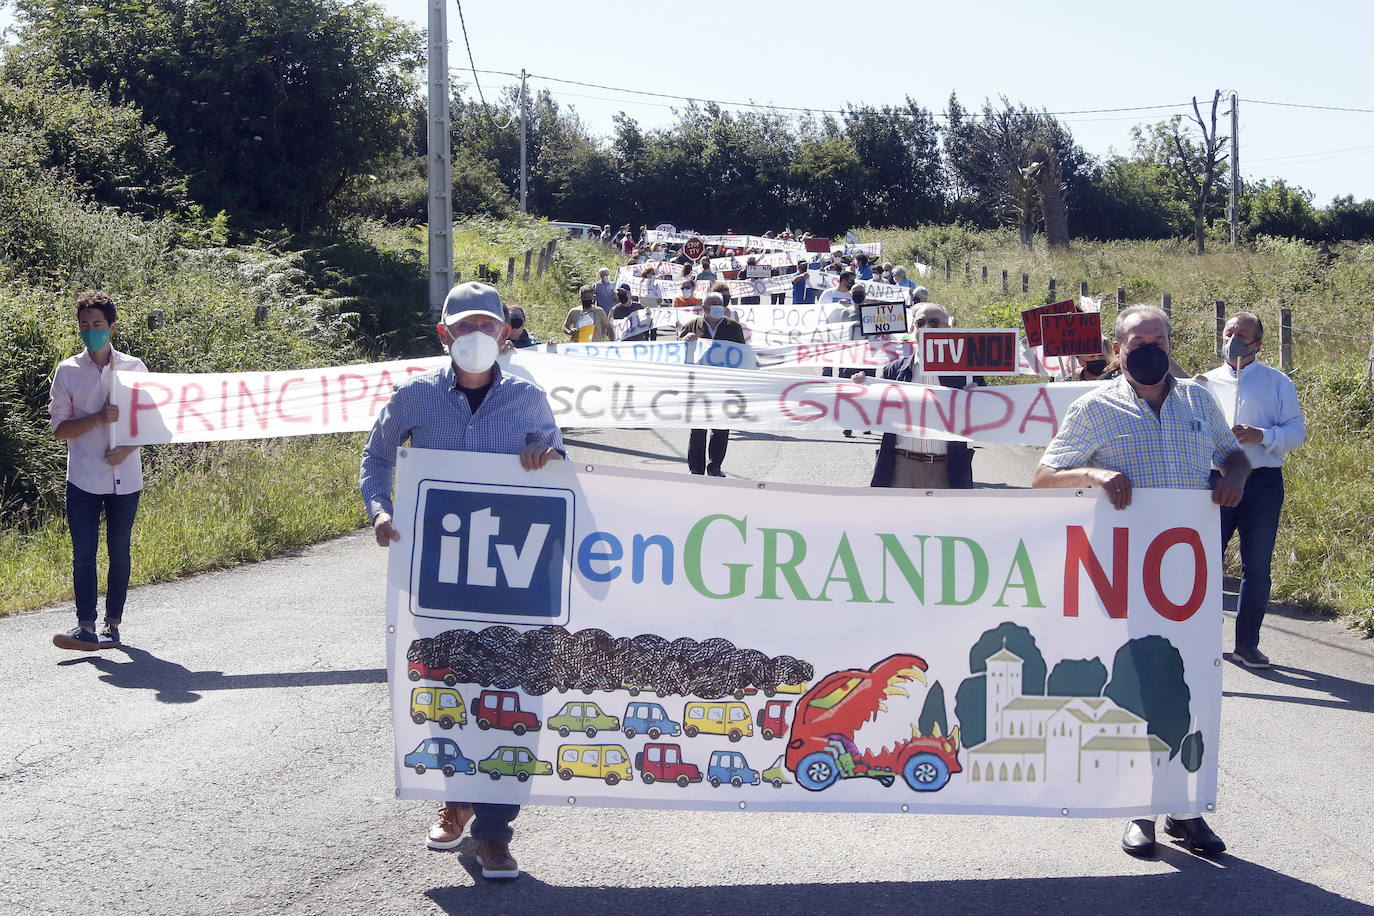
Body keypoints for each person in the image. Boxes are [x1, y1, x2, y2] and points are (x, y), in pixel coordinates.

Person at [361, 281, 565, 881]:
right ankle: (455, 800)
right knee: (450, 693)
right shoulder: (414, 398)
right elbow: (376, 459)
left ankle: (495, 833)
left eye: (489, 326)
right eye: (465, 327)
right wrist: (379, 510)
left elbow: (561, 473)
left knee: (511, 701)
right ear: (444, 335)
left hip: (512, 581)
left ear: (506, 334)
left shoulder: (527, 400)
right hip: (439, 576)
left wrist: (545, 458)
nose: (478, 337)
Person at [1032, 304, 1250, 860]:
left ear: (1172, 343)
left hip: (1189, 580)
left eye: (1160, 339)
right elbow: (1042, 478)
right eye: (1138, 341)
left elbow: (1231, 454)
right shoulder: (1094, 407)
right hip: (1126, 575)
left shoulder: (1199, 401)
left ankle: (1187, 811)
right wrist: (1095, 474)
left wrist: (1236, 475)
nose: (1150, 348)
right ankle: (1138, 812)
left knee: (1194, 687)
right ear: (1116, 350)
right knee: (1136, 690)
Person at [1199, 312, 1306, 669]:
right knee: (1205, 564)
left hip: (1262, 483)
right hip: (1215, 481)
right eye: (1229, 332)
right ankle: (1203, 643)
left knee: (1256, 567)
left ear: (1258, 343)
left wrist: (1262, 436)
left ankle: (1247, 645)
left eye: (1242, 334)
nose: (1233, 339)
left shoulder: (1277, 383)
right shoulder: (1205, 383)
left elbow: (1296, 433)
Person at [49, 290, 148, 651]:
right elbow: (60, 429)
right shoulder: (68, 371)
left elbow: (149, 423)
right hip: (84, 479)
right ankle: (86, 627)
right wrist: (97, 419)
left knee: (120, 550)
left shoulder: (134, 368)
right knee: (84, 553)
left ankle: (113, 625)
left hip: (127, 478)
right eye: (85, 325)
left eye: (98, 325)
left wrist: (126, 449)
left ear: (112, 327)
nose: (92, 331)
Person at [854, 303, 980, 483]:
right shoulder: (894, 370)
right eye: (921, 322)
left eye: (934, 322)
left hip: (946, 468)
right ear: (914, 328)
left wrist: (980, 396)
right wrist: (861, 387)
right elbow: (872, 410)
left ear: (948, 328)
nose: (927, 327)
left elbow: (986, 414)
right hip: (901, 467)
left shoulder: (967, 374)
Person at [678, 292, 746, 477]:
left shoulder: (733, 327)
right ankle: (696, 469)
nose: (718, 306)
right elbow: (676, 355)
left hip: (724, 385)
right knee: (698, 429)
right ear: (704, 308)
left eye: (720, 304)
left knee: (721, 427)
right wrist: (684, 342)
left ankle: (715, 465)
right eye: (714, 304)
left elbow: (742, 354)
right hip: (699, 386)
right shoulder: (691, 326)